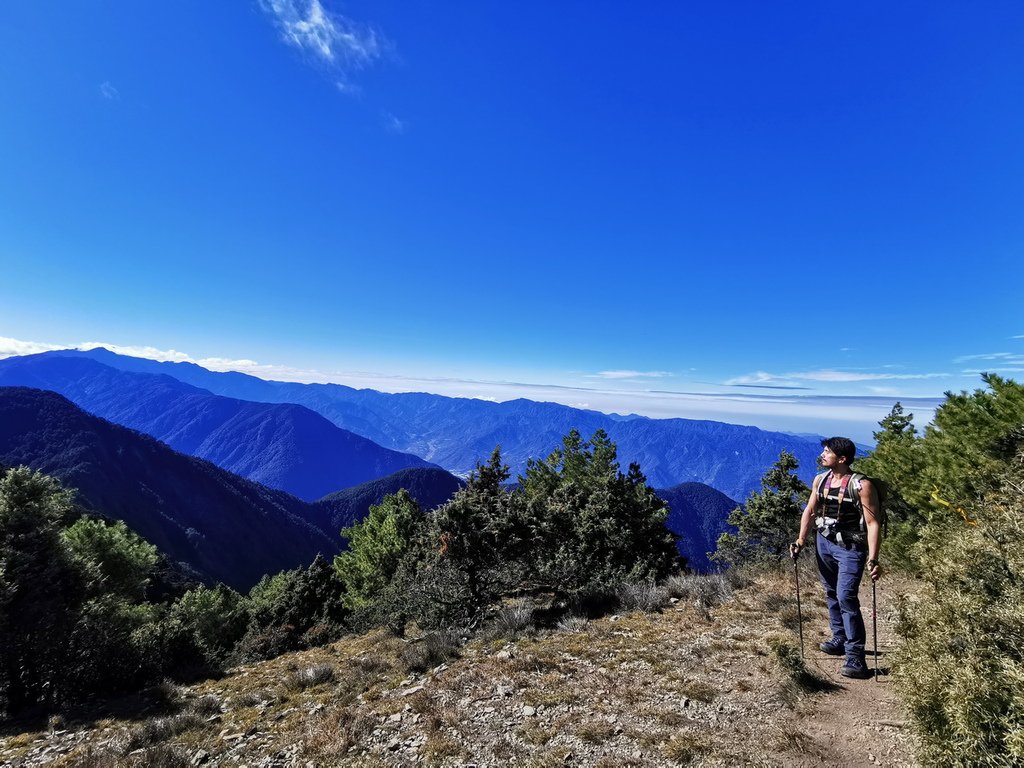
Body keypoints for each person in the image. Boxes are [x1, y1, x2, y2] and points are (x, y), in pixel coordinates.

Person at [790, 437, 882, 680]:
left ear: (842, 459)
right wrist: (801, 540)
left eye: (827, 451)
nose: (822, 454)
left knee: (846, 597)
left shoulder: (862, 486)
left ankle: (855, 656)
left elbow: (873, 523)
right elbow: (810, 510)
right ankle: (839, 638)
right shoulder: (820, 480)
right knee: (831, 592)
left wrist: (873, 558)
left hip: (851, 548)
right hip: (824, 543)